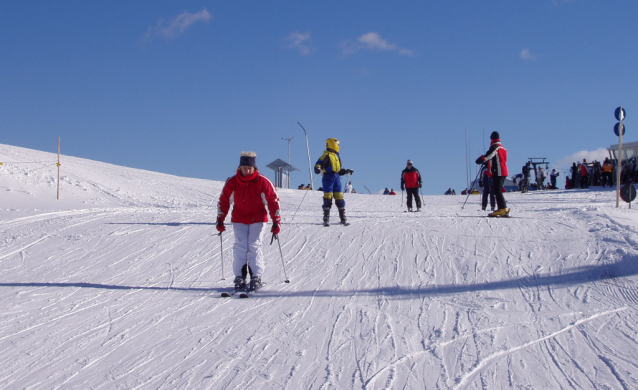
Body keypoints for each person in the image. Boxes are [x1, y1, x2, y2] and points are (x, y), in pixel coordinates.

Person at [216, 152, 281, 292]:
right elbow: (224, 201)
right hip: (239, 218)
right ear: (240, 168)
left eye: (249, 168)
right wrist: (220, 220)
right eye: (244, 168)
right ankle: (239, 276)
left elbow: (273, 201)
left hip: (258, 218)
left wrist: (276, 221)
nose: (247, 171)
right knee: (240, 246)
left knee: (254, 245)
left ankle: (256, 276)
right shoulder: (232, 182)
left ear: (254, 168)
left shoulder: (263, 181)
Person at [314, 138, 353, 226]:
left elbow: (338, 170)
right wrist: (317, 168)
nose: (338, 146)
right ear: (333, 144)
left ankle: (343, 218)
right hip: (328, 176)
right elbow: (319, 162)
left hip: (336, 177)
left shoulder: (335, 156)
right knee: (328, 196)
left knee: (339, 196)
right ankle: (326, 218)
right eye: (337, 144)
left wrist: (346, 171)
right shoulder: (326, 155)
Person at [476, 131, 509, 217]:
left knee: (497, 190)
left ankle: (502, 208)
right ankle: (502, 208)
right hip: (503, 171)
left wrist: (481, 159)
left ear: (492, 138)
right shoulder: (503, 148)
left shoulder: (495, 146)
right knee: (497, 190)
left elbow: (489, 155)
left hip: (498, 171)